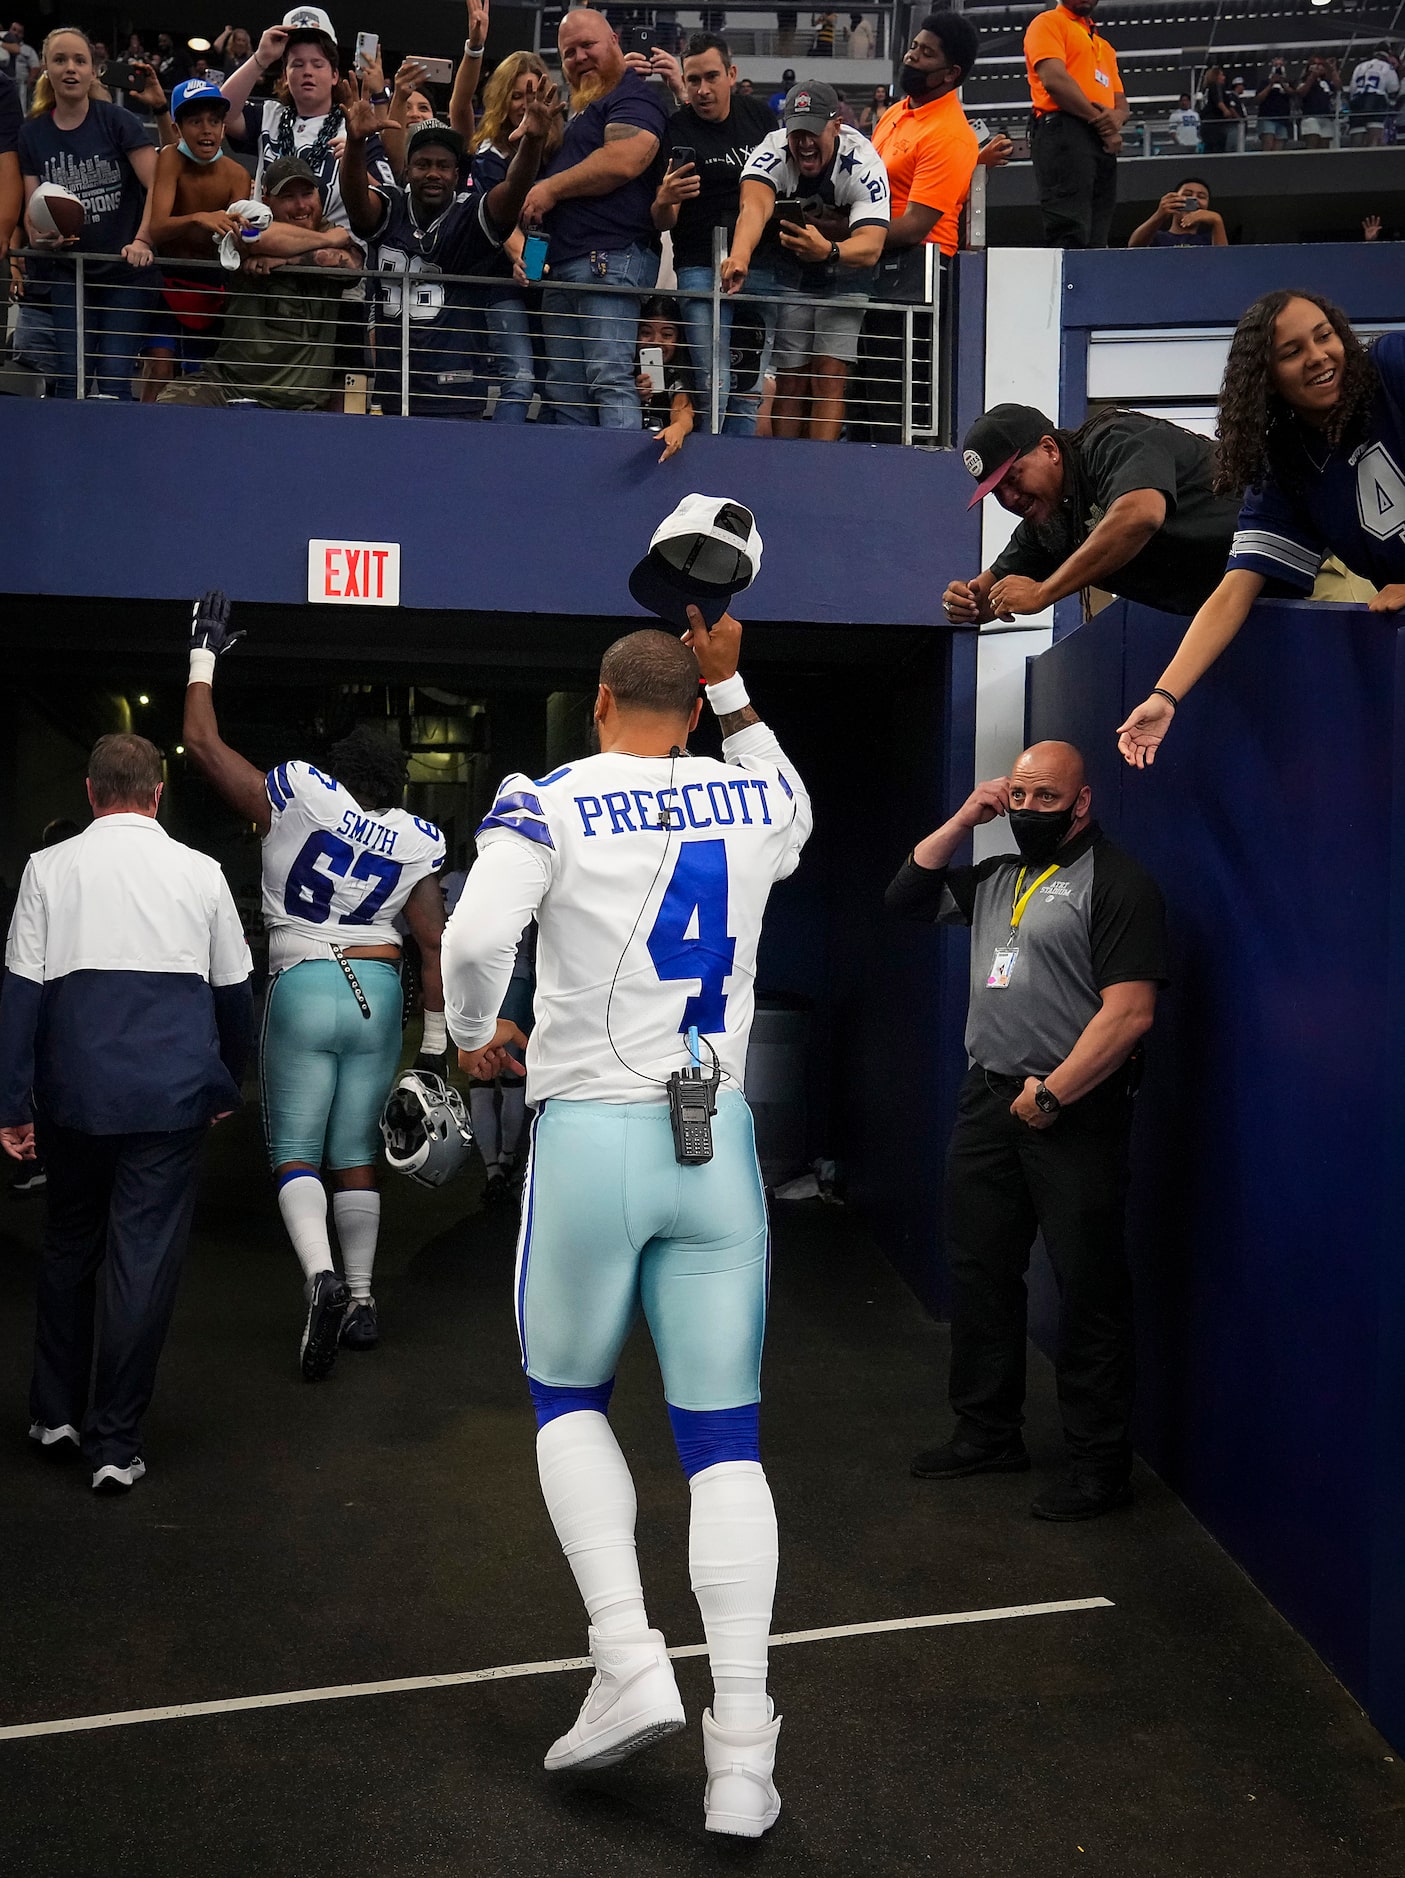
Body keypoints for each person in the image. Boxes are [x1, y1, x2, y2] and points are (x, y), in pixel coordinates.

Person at [441, 551, 811, 1837]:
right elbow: (791, 804)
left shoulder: (541, 800)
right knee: (726, 1444)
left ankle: (626, 1656)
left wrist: (468, 1033)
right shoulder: (747, 794)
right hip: (720, 1142)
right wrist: (738, 687)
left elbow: (479, 938)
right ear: (691, 701)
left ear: (600, 706)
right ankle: (744, 1761)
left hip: (594, 1130)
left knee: (565, 1398)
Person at [888, 742, 1167, 1519]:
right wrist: (968, 815)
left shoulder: (1117, 883)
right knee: (979, 1273)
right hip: (986, 1103)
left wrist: (1052, 1096)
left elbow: (1130, 1012)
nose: (1030, 811)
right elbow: (905, 898)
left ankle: (1096, 1466)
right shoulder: (997, 878)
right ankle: (986, 1434)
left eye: (1047, 798)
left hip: (1069, 1109)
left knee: (1088, 1290)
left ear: (1081, 803)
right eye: (1018, 796)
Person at [181, 592, 449, 1376]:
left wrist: (203, 655)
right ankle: (364, 1301)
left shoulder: (303, 793)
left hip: (302, 982)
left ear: (340, 772)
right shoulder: (415, 837)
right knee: (355, 1153)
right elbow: (435, 940)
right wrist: (433, 1049)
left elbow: (200, 742)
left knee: (293, 1152)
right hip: (379, 991)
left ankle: (321, 1279)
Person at [0, 733, 254, 1493]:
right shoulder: (202, 874)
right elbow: (234, 995)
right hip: (170, 1096)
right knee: (141, 1259)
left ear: (89, 793)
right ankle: (113, 1444)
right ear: (157, 793)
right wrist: (222, 1082)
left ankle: (54, 1414)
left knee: (70, 1244)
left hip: (74, 1093)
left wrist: (13, 1102)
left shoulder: (48, 868)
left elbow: (20, 993)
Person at [1117, 294, 1405, 768]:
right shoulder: (1286, 470)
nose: (1317, 356)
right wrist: (1165, 696)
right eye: (1291, 352)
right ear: (1265, 381)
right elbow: (1234, 592)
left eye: (1324, 335)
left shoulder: (1391, 368)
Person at [342, 85, 556, 419]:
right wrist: (355, 144)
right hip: (393, 388)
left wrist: (533, 142)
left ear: (457, 175)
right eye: (423, 164)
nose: (433, 174)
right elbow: (356, 204)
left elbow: (513, 191)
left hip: (456, 389)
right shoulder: (390, 206)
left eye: (443, 166)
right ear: (408, 171)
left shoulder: (469, 214)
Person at [946, 401, 1239, 627]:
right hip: (1244, 603)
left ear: (1050, 449)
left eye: (1013, 479)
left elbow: (1140, 515)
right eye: (997, 492)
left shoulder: (1115, 439)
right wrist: (963, 603)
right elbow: (986, 598)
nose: (1010, 498)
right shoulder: (1047, 523)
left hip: (1279, 546)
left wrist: (1043, 593)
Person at [517, 7, 668, 429]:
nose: (579, 57)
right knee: (564, 386)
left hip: (609, 259)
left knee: (609, 377)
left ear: (615, 42)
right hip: (564, 264)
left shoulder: (632, 97)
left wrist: (549, 188)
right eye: (569, 52)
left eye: (588, 46)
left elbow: (623, 160)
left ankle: (617, 494)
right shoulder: (583, 108)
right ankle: (576, 489)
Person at [724, 80, 890, 442]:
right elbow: (754, 206)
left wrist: (830, 250)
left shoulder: (863, 161)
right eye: (797, 132)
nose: (804, 142)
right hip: (793, 268)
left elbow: (872, 245)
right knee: (791, 374)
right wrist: (739, 255)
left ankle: (821, 464)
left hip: (848, 271)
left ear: (836, 126)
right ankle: (787, 461)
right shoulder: (772, 149)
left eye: (814, 131)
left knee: (829, 375)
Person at [155, 154, 365, 409]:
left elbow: (352, 265)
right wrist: (330, 240)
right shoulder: (254, 219)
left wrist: (288, 260)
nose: (301, 206)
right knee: (170, 408)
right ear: (266, 201)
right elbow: (257, 238)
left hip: (299, 400)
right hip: (229, 383)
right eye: (288, 197)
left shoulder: (330, 228)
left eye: (307, 193)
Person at [18, 27, 158, 401]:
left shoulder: (117, 121)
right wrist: (41, 237)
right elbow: (33, 215)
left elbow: (160, 185)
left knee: (113, 379)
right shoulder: (32, 135)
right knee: (70, 379)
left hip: (124, 276)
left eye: (79, 60)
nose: (70, 68)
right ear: (45, 68)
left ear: (93, 71)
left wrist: (143, 238)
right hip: (70, 273)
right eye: (60, 60)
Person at [649, 31, 778, 435]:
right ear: (683, 82)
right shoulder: (675, 127)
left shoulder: (760, 117)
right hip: (698, 267)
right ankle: (708, 465)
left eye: (711, 77)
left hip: (760, 265)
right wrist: (665, 197)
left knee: (748, 387)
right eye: (693, 80)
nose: (703, 90)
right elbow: (662, 221)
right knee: (710, 380)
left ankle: (734, 471)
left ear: (731, 74)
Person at [220, 8, 394, 228]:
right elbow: (221, 113)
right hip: (271, 243)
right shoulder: (269, 116)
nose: (307, 71)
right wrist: (261, 58)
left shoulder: (355, 128)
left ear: (334, 76)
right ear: (284, 76)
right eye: (297, 64)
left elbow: (391, 202)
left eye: (317, 64)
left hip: (336, 250)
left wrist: (355, 162)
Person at [471, 49, 563, 422]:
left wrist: (537, 268)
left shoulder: (559, 150)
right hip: (503, 284)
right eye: (517, 95)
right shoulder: (487, 155)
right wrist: (525, 261)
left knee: (556, 384)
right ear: (500, 99)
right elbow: (498, 219)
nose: (527, 103)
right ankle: (502, 468)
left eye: (533, 93)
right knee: (520, 380)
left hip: (549, 283)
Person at [873, 13, 980, 261]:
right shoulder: (895, 111)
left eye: (927, 54)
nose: (912, 56)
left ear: (951, 74)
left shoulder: (950, 134)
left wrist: (843, 232)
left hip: (919, 264)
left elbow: (914, 227)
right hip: (877, 252)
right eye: (913, 47)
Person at [1024, 0, 1126, 250]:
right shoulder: (1049, 23)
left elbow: (1121, 100)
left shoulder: (1104, 46)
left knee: (1098, 233)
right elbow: (1055, 81)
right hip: (1064, 130)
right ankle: (1070, 286)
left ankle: (1090, 285)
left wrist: (1118, 118)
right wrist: (1104, 124)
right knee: (1070, 228)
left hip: (1099, 140)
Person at [635, 292, 696, 458]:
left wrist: (678, 427)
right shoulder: (623, 371)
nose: (656, 341)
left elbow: (683, 408)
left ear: (679, 338)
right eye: (646, 333)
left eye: (667, 335)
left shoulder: (676, 375)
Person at [1127, 175, 1226, 248]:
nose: (1193, 199)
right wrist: (1160, 214)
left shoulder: (1210, 239)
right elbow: (1135, 246)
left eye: (1201, 197)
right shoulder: (1157, 237)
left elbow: (1223, 260)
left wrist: (1217, 221)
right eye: (1187, 194)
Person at [1348, 45, 1399, 146]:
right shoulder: (1387, 66)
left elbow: (1352, 88)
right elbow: (1394, 88)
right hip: (1376, 99)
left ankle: (1356, 159)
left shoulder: (1359, 66)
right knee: (1375, 135)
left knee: (1357, 134)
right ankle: (1373, 158)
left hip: (1358, 99)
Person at [1298, 54, 1339, 149]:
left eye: (1321, 65)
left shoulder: (1326, 82)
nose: (1319, 67)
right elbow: (1301, 93)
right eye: (1316, 64)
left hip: (1326, 117)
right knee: (1312, 146)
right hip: (1310, 117)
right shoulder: (1304, 80)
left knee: (1325, 148)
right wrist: (1312, 76)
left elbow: (1338, 87)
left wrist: (1332, 69)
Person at [1256, 56, 1293, 151]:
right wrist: (1271, 84)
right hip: (1267, 118)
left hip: (1283, 119)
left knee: (1279, 149)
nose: (1278, 67)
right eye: (1276, 65)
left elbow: (1293, 94)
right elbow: (1258, 99)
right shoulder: (1264, 82)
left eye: (1281, 65)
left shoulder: (1288, 83)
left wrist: (1282, 82)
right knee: (1268, 145)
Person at [1198, 65, 1233, 154]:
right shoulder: (1216, 86)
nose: (1224, 78)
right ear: (1216, 76)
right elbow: (1219, 101)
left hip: (1206, 124)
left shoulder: (1206, 90)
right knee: (1218, 149)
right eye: (1222, 75)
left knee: (1209, 149)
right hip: (1215, 124)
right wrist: (1226, 111)